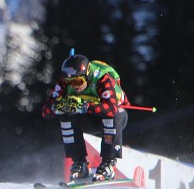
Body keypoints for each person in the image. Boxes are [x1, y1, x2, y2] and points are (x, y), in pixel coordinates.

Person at [41, 53, 128, 182]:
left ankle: (108, 163)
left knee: (113, 115)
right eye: (69, 82)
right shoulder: (65, 83)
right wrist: (57, 107)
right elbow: (45, 111)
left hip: (115, 117)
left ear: (87, 76)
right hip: (88, 120)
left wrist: (85, 106)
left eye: (78, 81)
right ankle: (80, 163)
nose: (74, 86)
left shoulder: (102, 77)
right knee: (67, 115)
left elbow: (111, 108)